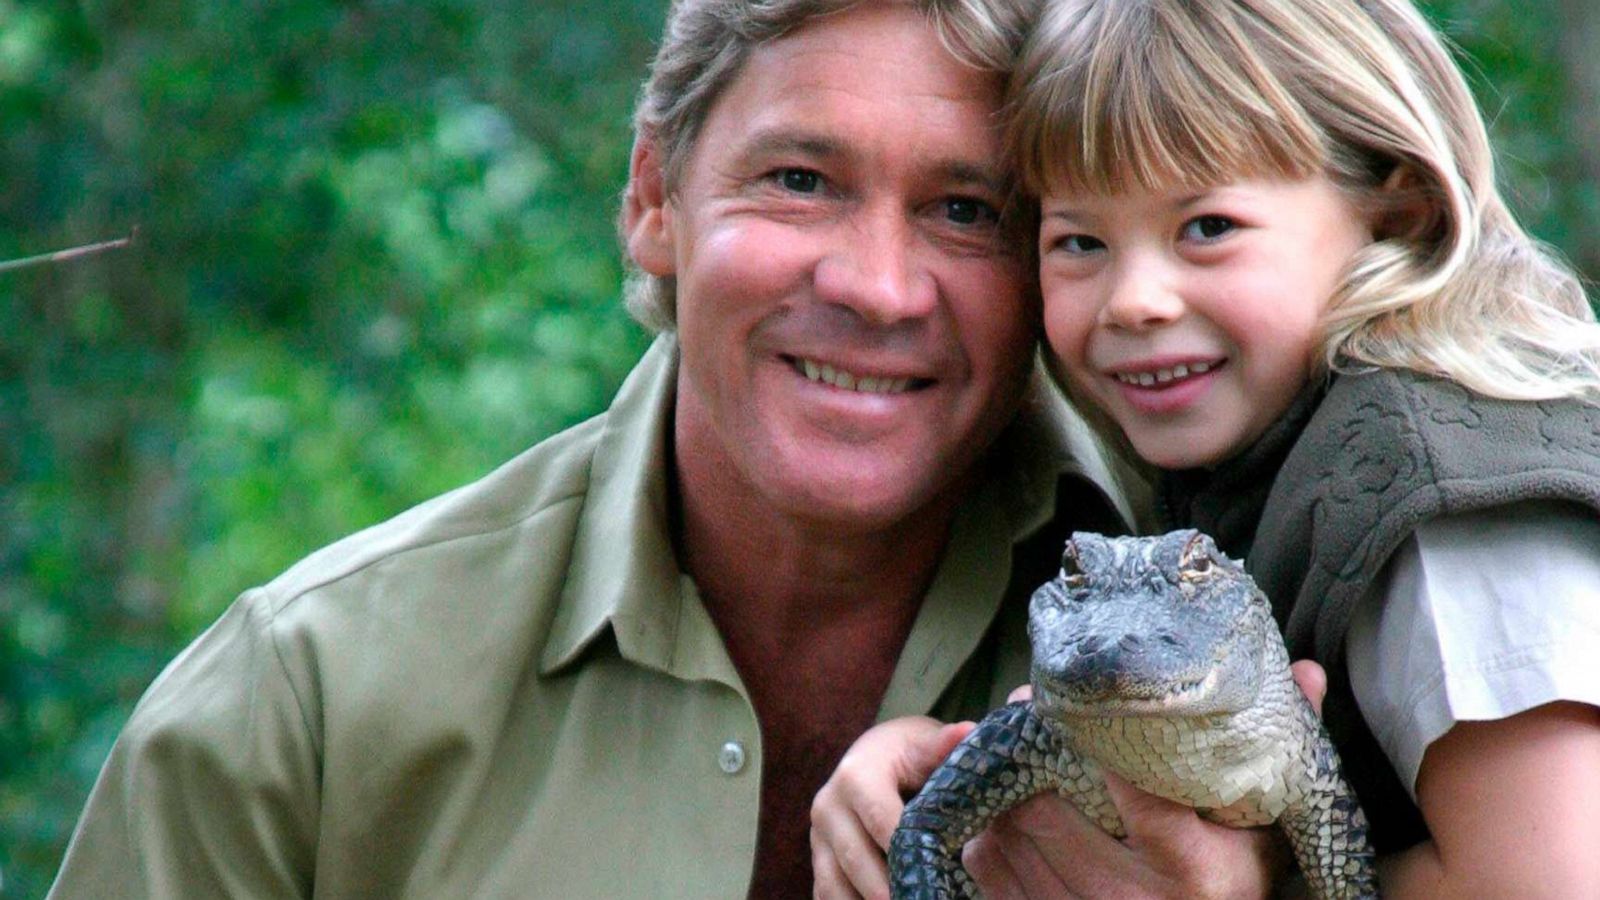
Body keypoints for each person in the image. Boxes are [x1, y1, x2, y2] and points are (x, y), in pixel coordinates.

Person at [48, 1, 1153, 897]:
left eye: (967, 211)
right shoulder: (306, 706)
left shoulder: (1215, 614)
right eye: (799, 182)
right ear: (649, 201)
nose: (875, 286)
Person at [812, 0, 1600, 896]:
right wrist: (931, 783)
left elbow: (1553, 881)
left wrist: (1246, 888)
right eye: (1080, 241)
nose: (1133, 299)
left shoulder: (1449, 492)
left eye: (1207, 228)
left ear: (1398, 215)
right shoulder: (1252, 452)